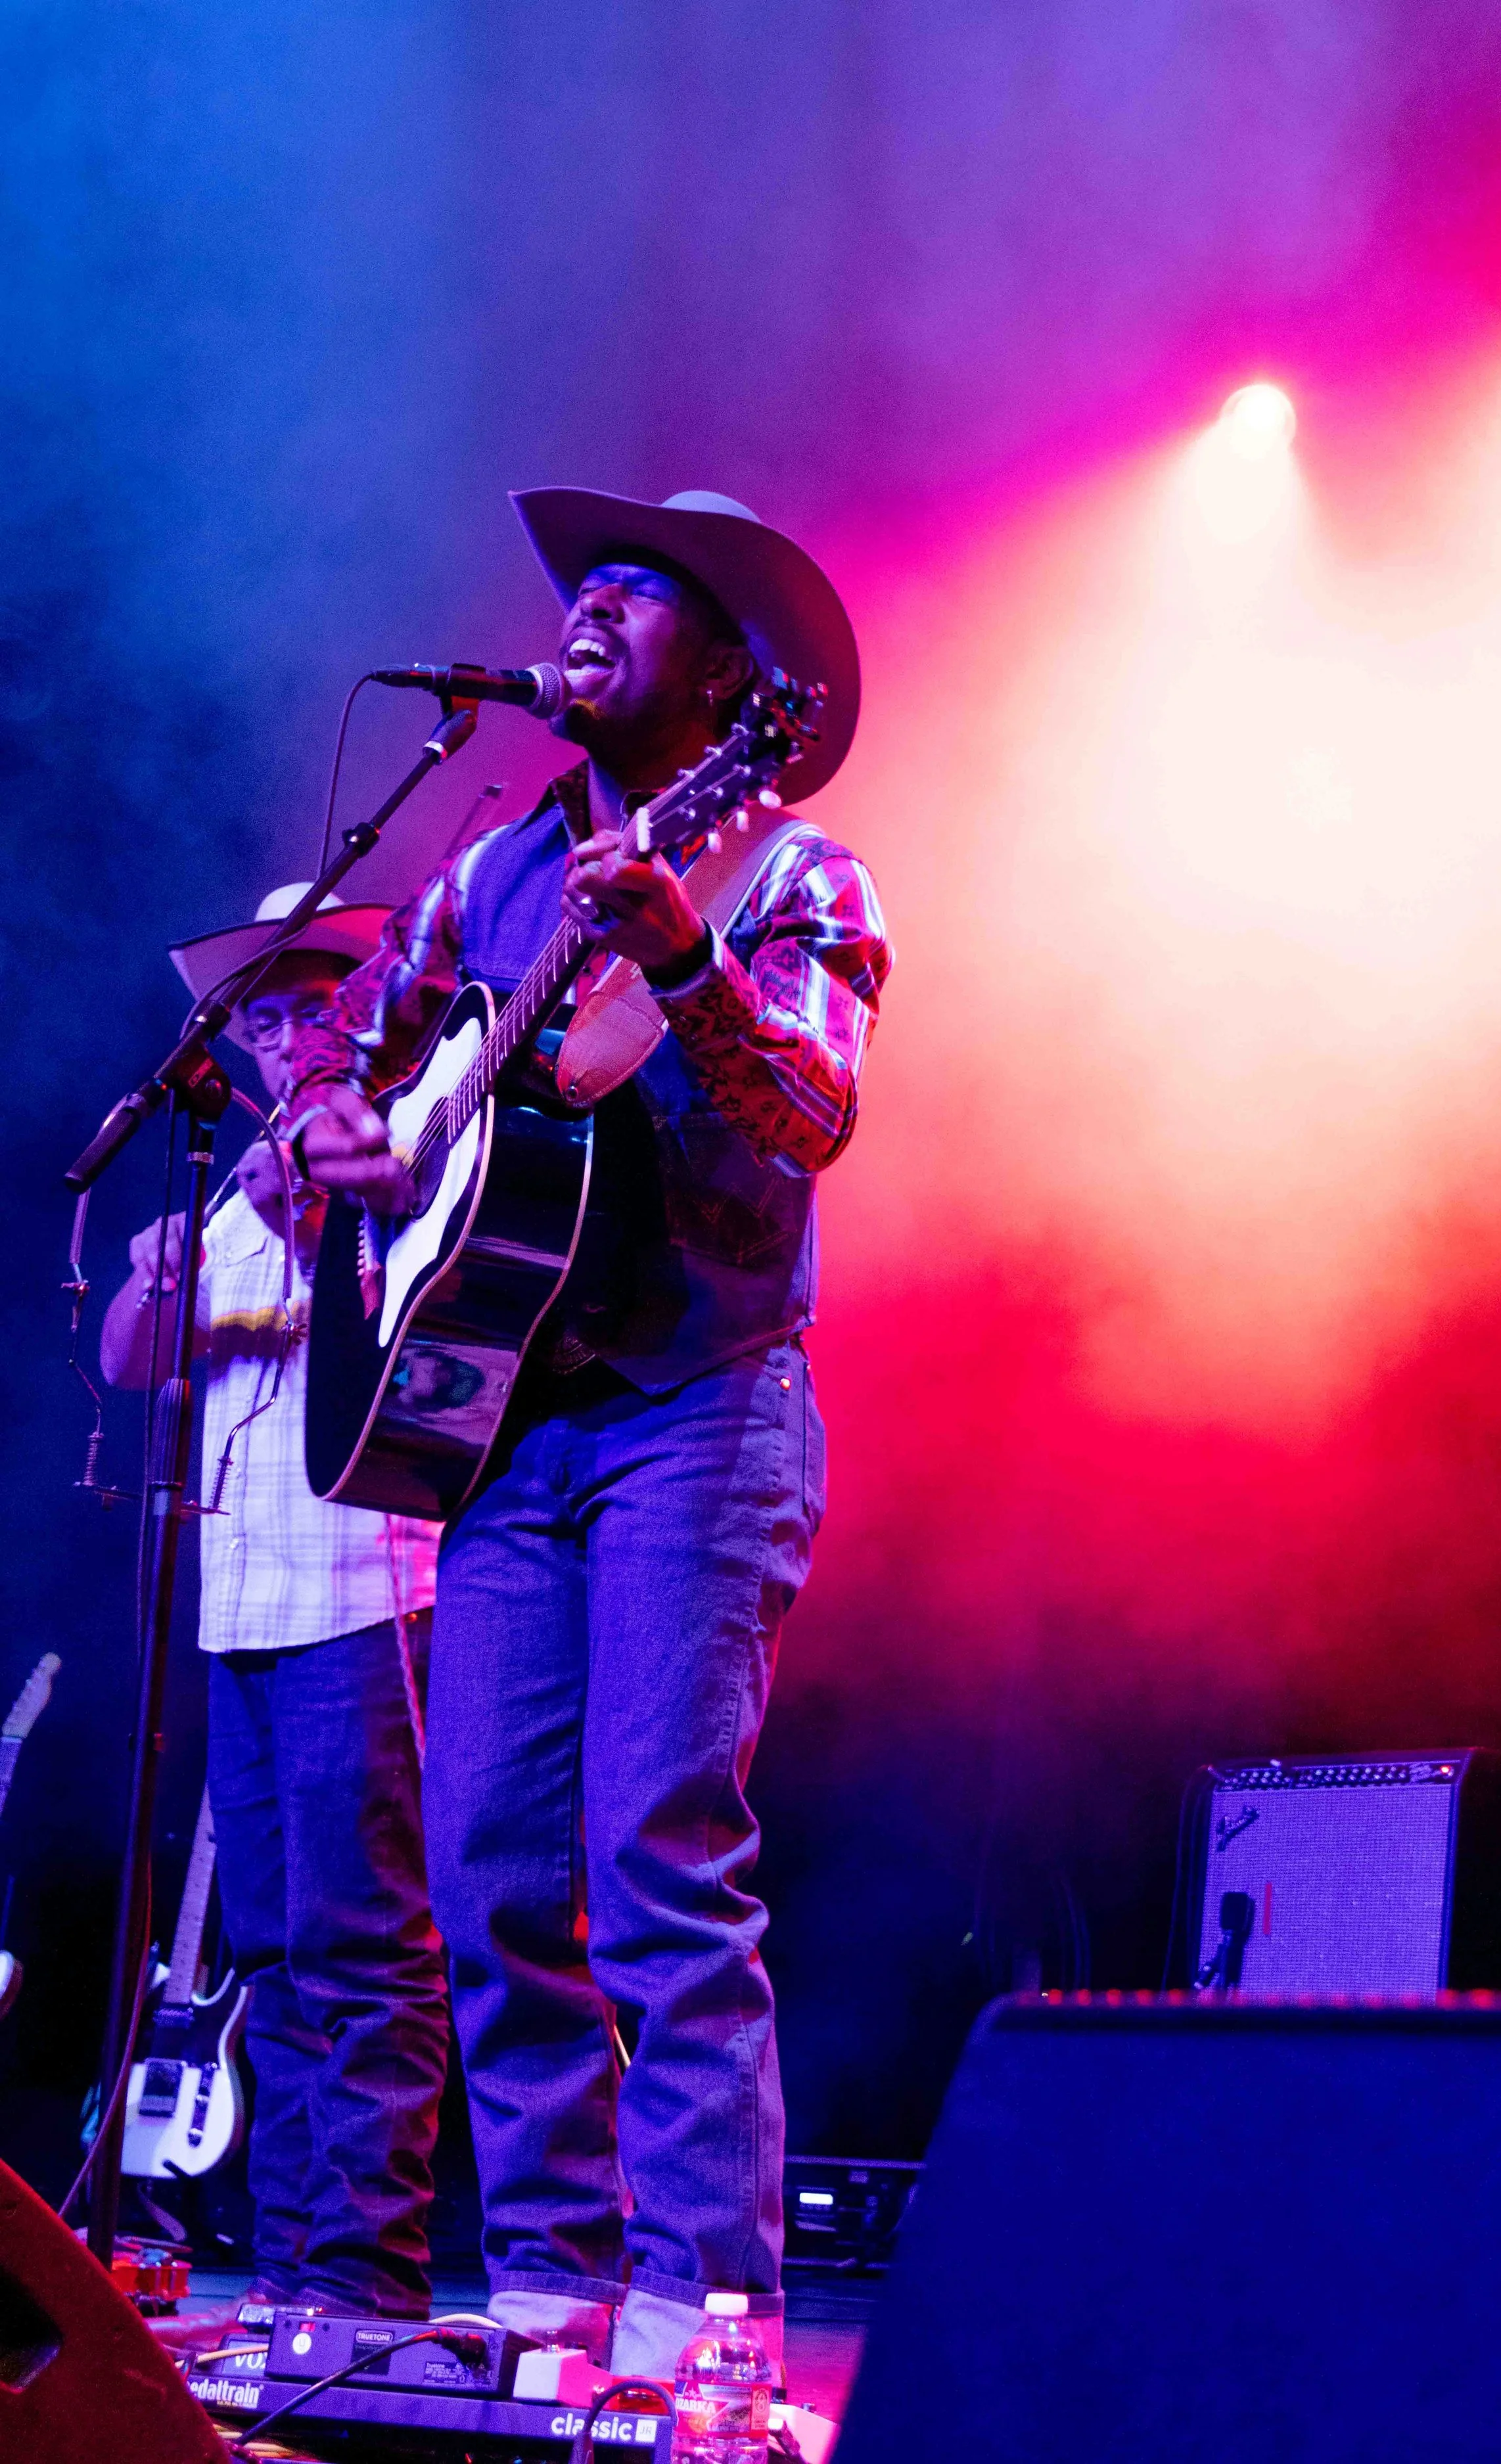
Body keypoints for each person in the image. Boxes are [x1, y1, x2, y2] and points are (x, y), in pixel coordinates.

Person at [287, 488, 891, 2382]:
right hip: (507, 1437)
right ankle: (551, 2295)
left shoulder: (789, 868)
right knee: (482, 1863)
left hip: (700, 1409)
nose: (591, 610)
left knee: (657, 1857)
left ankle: (703, 2319)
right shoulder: (487, 877)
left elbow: (808, 1116)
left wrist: (685, 963)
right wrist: (340, 1128)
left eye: (638, 593)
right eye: (585, 587)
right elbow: (345, 1044)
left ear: (724, 674)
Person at [101, 888, 448, 2332]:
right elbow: (128, 1354)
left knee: (364, 1944)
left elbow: (416, 1281)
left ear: (363, 999)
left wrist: (299, 1227)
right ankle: (301, 2279)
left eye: (310, 997)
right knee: (273, 1953)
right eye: (256, 1010)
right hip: (236, 1608)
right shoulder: (225, 1166)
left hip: (363, 1597)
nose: (282, 1027)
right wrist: (180, 1268)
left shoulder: (410, 1121)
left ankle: (363, 2289)